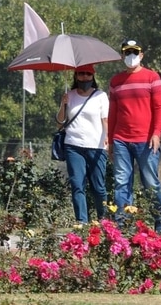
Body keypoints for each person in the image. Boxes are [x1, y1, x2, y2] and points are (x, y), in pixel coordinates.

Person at [108, 39, 161, 233]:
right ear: (122, 56)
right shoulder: (116, 81)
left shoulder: (152, 77)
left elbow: (159, 107)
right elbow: (113, 113)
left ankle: (160, 223)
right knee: (121, 183)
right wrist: (110, 141)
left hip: (146, 140)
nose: (131, 56)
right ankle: (123, 226)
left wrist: (157, 133)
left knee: (150, 182)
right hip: (121, 140)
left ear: (141, 55)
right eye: (127, 53)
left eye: (134, 52)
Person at [56, 64, 108, 225]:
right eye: (81, 74)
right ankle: (82, 222)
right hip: (73, 145)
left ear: (92, 76)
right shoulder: (69, 96)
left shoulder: (100, 96)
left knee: (98, 187)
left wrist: (108, 139)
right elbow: (59, 123)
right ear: (75, 76)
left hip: (97, 146)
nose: (84, 77)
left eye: (87, 74)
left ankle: (104, 219)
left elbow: (105, 120)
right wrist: (63, 104)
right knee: (77, 184)